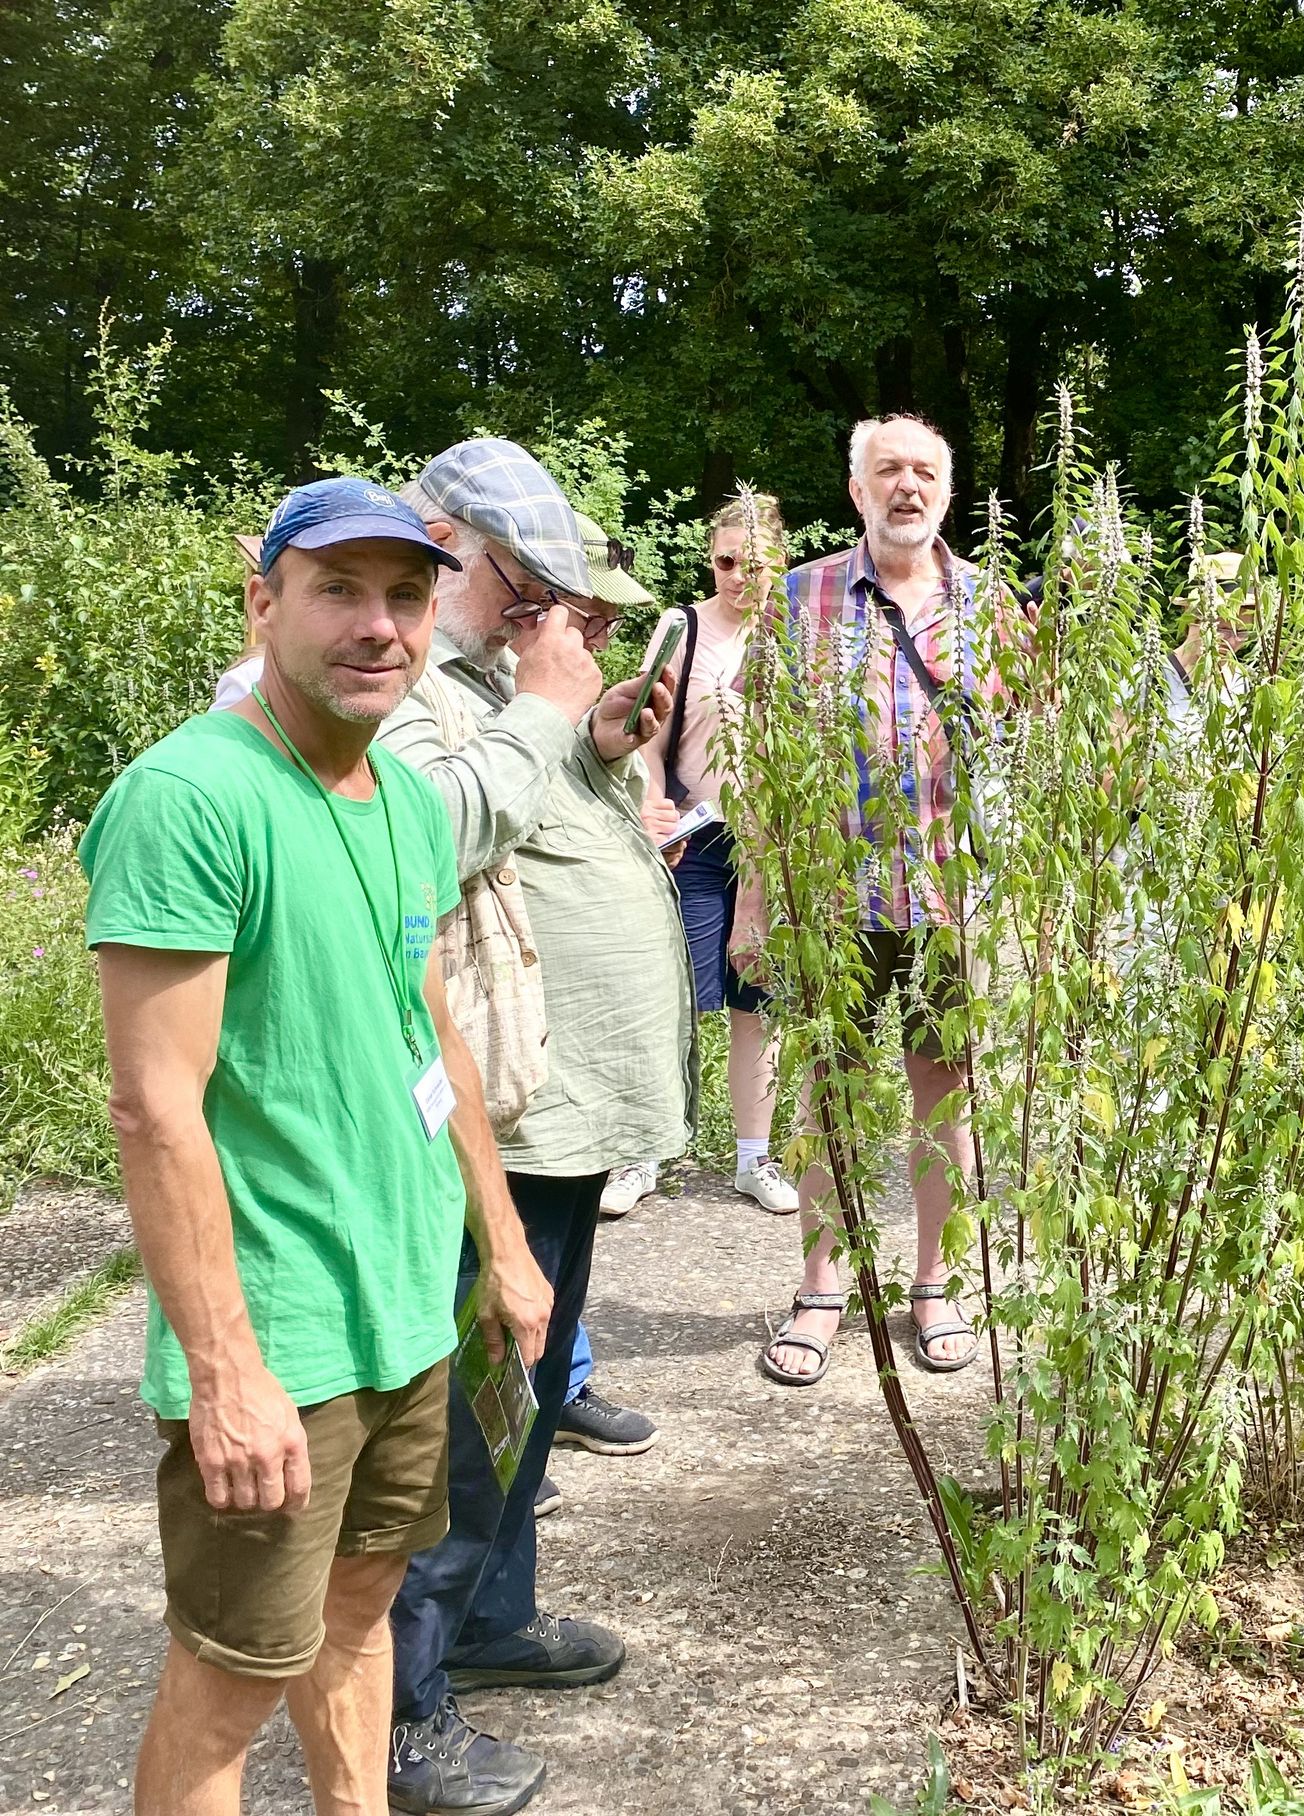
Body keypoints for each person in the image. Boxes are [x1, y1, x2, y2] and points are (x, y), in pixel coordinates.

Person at [80, 478, 552, 1816]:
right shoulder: (191, 798)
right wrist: (226, 1371)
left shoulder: (401, 798)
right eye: (339, 588)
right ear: (264, 599)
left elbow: (428, 1033)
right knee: (229, 1681)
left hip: (405, 1310)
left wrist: (504, 1250)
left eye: (406, 594)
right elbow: (154, 1107)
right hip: (281, 1335)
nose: (379, 625)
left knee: (359, 1612)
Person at [376, 440, 694, 1816]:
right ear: (445, 540)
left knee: (520, 1396)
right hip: (479, 1126)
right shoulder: (395, 682)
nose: (537, 614)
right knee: (453, 1417)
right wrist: (541, 710)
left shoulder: (494, 684)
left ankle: (492, 1619)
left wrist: (591, 736)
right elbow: (421, 838)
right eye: (522, 585)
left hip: (552, 1117)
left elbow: (536, 821)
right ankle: (404, 1704)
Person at [744, 414, 1001, 1386]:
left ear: (947, 491)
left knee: (946, 1098)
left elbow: (1039, 752)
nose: (908, 485)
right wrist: (757, 902)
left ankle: (934, 1284)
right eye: (888, 468)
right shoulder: (799, 598)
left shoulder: (990, 605)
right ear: (855, 489)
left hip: (947, 900)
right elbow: (760, 766)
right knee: (829, 1099)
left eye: (926, 470)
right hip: (826, 901)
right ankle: (820, 1289)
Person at [602, 494, 799, 1220]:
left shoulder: (801, 630)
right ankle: (641, 1153)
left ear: (779, 561)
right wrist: (653, 799)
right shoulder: (680, 625)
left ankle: (755, 1158)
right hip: (696, 834)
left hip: (775, 841)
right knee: (671, 990)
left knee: (759, 1001)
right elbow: (648, 732)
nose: (738, 576)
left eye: (753, 563)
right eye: (723, 562)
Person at [552, 512, 669, 1464]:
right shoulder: (443, 695)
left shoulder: (541, 699)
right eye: (586, 618)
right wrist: (547, 716)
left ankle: (559, 1384)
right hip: (504, 1056)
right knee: (502, 1256)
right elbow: (448, 839)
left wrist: (596, 743)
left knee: (554, 1248)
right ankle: (494, 1449)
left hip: (570, 1058)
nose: (600, 640)